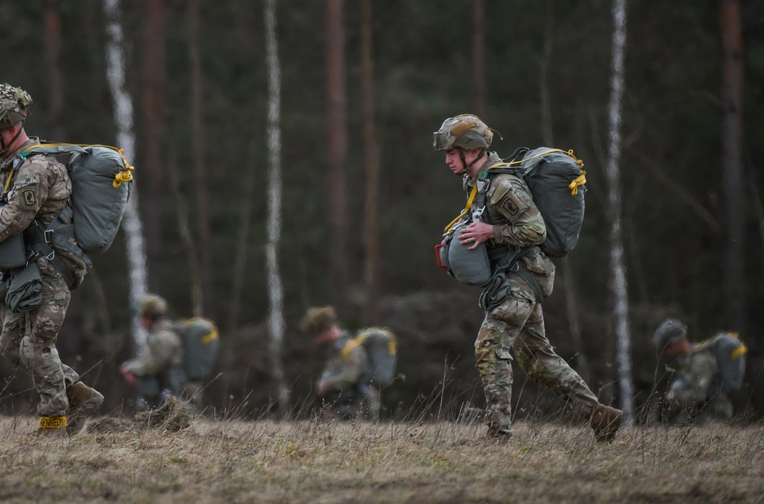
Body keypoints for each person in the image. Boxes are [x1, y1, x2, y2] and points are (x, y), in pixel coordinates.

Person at [433, 113, 623, 442]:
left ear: (472, 150)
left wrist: (491, 230)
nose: (448, 159)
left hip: (523, 279)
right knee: (537, 361)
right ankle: (601, 416)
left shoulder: (502, 185)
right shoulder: (477, 183)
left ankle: (499, 433)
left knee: (489, 348)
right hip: (515, 277)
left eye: (452, 152)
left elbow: (536, 229)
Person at [0, 83, 103, 435]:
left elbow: (15, 218)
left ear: (10, 128)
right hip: (24, 270)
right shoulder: (4, 167)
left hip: (52, 267)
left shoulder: (36, 168)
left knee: (36, 344)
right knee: (10, 344)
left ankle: (53, 423)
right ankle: (78, 393)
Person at [300, 306, 386, 420]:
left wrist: (326, 384)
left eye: (317, 334)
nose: (316, 339)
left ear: (327, 330)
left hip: (358, 408)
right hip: (344, 407)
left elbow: (350, 377)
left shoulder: (351, 349)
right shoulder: (336, 351)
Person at [653, 318, 747, 422]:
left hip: (712, 419)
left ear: (676, 342)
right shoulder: (688, 361)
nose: (666, 352)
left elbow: (698, 395)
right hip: (698, 419)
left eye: (667, 347)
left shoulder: (700, 360)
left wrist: (674, 397)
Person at [120, 294, 186, 411]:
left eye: (141, 317)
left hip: (174, 392)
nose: (140, 321)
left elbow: (154, 364)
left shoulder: (164, 337)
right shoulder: (158, 336)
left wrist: (131, 368)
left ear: (148, 318)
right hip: (168, 391)